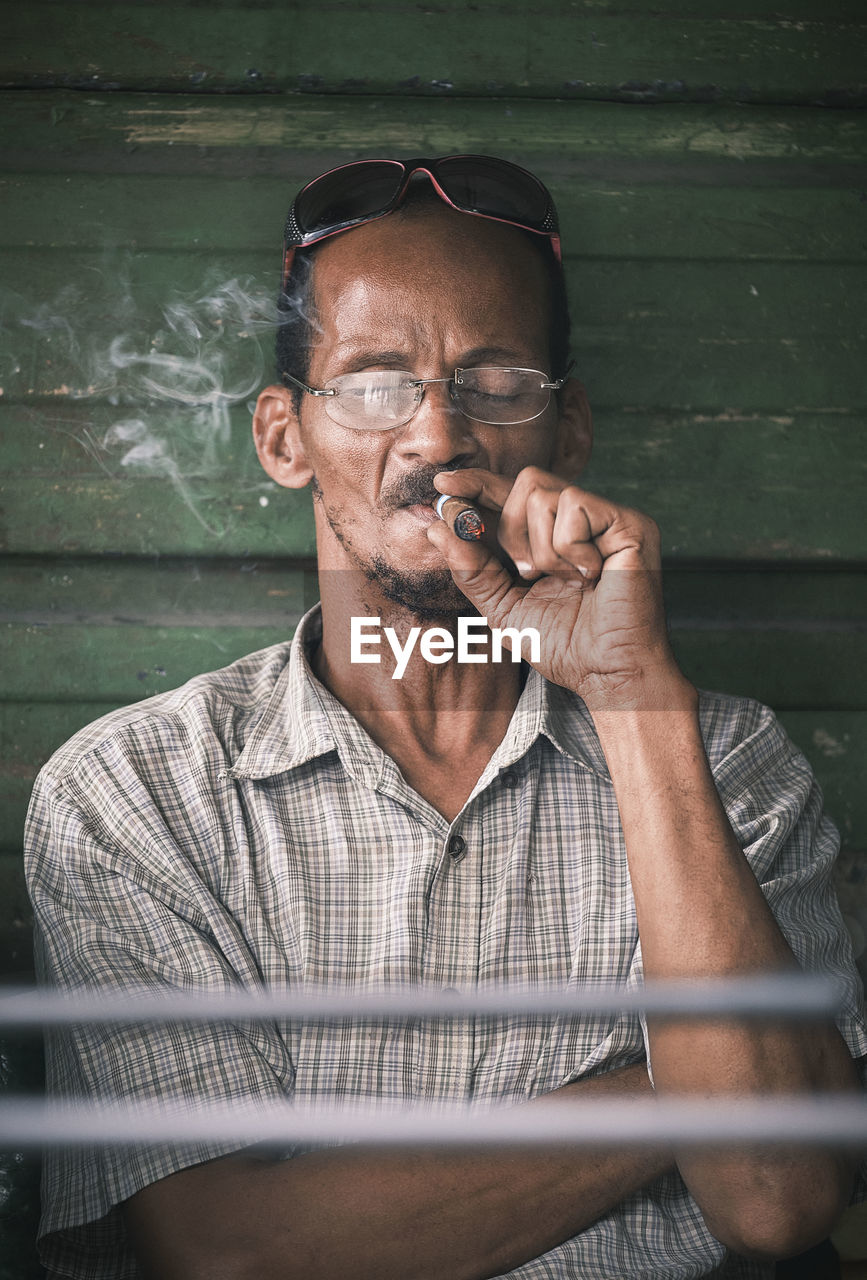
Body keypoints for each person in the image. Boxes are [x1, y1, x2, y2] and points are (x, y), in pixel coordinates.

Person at [25, 155, 866, 1280]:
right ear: (285, 438)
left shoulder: (727, 762)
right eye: (373, 381)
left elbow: (778, 1193)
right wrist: (699, 1087)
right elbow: (229, 1250)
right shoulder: (132, 794)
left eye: (496, 377)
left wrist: (634, 698)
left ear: (566, 431)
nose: (436, 435)